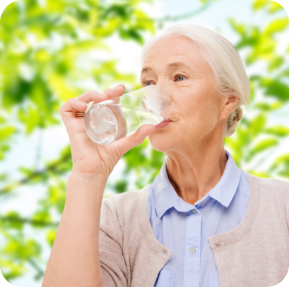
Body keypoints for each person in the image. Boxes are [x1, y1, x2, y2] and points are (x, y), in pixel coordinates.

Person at [42, 24, 289, 287]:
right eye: (149, 82)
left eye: (179, 77)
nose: (153, 99)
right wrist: (87, 175)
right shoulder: (115, 219)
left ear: (227, 101)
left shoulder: (282, 207)